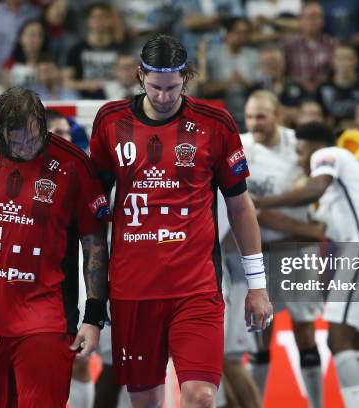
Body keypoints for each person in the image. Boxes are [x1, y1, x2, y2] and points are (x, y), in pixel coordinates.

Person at [89, 34, 273, 407]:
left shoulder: (215, 123)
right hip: (132, 290)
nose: (163, 97)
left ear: (186, 78)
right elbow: (95, 212)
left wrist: (258, 285)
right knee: (146, 402)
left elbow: (240, 207)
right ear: (140, 76)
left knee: (201, 397)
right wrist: (95, 298)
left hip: (197, 288)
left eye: (172, 88)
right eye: (155, 87)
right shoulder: (110, 120)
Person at [0, 87, 111, 407]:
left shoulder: (74, 165)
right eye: (16, 142)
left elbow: (95, 244)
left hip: (45, 317)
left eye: (33, 140)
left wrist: (95, 314)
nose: (26, 149)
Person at [253, 121, 359, 408]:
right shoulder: (338, 192)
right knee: (351, 344)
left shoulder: (328, 155)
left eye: (301, 152)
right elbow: (315, 230)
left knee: (338, 340)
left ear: (314, 147)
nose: (300, 160)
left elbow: (314, 189)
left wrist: (260, 202)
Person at [237, 90, 324, 408]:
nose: (255, 123)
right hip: (256, 256)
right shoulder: (240, 147)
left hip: (296, 254)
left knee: (305, 333)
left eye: (261, 116)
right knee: (259, 336)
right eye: (249, 116)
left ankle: (317, 404)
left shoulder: (298, 146)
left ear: (277, 116)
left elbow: (317, 188)